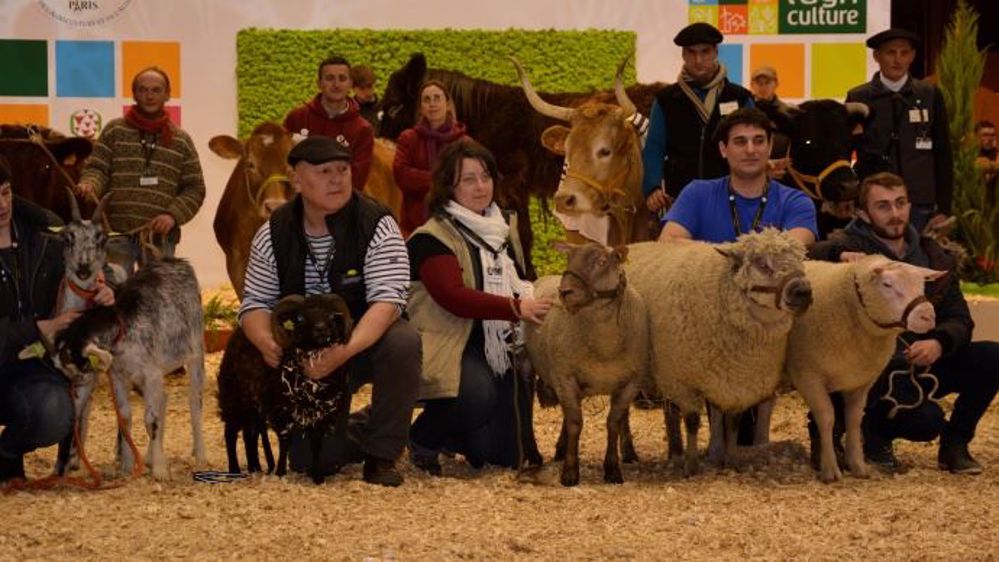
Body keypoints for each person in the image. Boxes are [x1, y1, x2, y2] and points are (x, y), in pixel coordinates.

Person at [239, 135, 419, 487]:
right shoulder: (273, 232)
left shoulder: (376, 223)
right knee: (311, 463)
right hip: (305, 350)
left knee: (404, 341)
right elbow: (256, 303)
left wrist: (343, 352)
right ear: (296, 180)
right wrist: (264, 341)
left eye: (342, 170)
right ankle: (365, 425)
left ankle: (382, 454)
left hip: (365, 339)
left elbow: (388, 302)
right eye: (324, 172)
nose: (337, 179)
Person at [810, 172, 999, 474]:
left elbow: (960, 319)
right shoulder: (849, 250)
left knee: (992, 356)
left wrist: (939, 342)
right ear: (862, 213)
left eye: (900, 203)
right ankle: (871, 436)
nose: (895, 214)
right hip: (867, 369)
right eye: (883, 206)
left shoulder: (934, 258)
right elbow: (813, 253)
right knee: (926, 421)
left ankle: (956, 445)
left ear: (910, 206)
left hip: (920, 360)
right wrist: (837, 254)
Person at [405, 138, 553, 475]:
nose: (480, 186)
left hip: (493, 344)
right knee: (477, 395)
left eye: (485, 176)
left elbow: (520, 277)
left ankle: (454, 436)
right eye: (468, 179)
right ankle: (421, 438)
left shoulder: (501, 230)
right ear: (448, 185)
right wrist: (516, 308)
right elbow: (452, 296)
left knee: (503, 455)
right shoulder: (432, 237)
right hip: (447, 342)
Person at [0, 156, 114, 484]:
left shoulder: (44, 237)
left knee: (55, 413)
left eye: (6, 193)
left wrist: (101, 289)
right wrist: (37, 329)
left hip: (31, 367)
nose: (2, 204)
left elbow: (81, 273)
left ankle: (6, 453)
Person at [77, 66, 206, 274]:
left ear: (167, 94)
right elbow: (97, 168)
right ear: (135, 94)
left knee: (157, 296)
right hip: (115, 234)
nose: (149, 96)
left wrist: (172, 216)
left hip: (160, 238)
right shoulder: (114, 130)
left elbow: (195, 188)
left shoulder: (181, 140)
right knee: (115, 294)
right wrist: (90, 183)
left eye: (156, 90)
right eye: (143, 90)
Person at [846, 28, 953, 234]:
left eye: (904, 53)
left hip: (920, 202)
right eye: (890, 53)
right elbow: (846, 150)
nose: (898, 59)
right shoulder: (859, 97)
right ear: (877, 56)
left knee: (918, 262)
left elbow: (943, 153)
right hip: (874, 203)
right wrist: (847, 198)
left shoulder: (929, 94)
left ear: (912, 56)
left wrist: (945, 207)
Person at [642, 22, 754, 217]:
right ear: (683, 55)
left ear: (715, 52)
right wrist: (652, 188)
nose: (698, 59)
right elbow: (654, 148)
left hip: (733, 198)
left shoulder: (740, 97)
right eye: (692, 53)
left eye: (705, 52)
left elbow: (754, 146)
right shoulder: (666, 100)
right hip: (680, 200)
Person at [659, 107, 817, 246]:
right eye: (740, 142)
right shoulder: (697, 193)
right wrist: (730, 255)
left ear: (770, 147)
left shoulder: (796, 201)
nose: (750, 150)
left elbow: (793, 246)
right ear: (723, 149)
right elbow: (668, 241)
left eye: (759, 141)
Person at [284, 55, 375, 191]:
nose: (336, 84)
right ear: (319, 83)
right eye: (330, 78)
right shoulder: (296, 118)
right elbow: (282, 165)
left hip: (340, 207)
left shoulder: (362, 129)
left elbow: (357, 181)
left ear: (350, 84)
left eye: (342, 78)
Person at [392, 80, 469, 237]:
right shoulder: (408, 138)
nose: (432, 104)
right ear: (421, 108)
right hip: (414, 228)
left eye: (437, 98)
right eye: (427, 99)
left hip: (456, 228)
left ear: (447, 104)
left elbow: (466, 179)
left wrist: (421, 178)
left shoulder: (464, 143)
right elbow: (402, 175)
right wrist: (443, 179)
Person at [350, 64, 382, 132]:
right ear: (353, 88)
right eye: (362, 88)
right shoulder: (350, 114)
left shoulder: (385, 107)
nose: (367, 92)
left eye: (369, 86)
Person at [975, 120, 997, 204]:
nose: (990, 139)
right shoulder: (970, 157)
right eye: (985, 135)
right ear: (976, 136)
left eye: (993, 135)